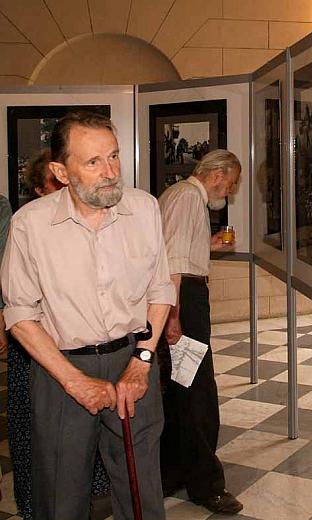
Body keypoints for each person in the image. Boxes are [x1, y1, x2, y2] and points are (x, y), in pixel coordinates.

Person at [1, 111, 174, 519]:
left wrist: (142, 361)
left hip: (134, 361)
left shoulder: (144, 208)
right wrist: (74, 381)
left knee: (142, 488)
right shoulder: (31, 225)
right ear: (61, 171)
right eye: (93, 162)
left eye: (113, 157)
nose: (110, 172)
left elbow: (161, 289)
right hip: (61, 368)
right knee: (61, 492)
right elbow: (20, 314)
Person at [7, 150, 110, 519]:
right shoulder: (27, 225)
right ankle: (37, 504)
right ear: (39, 188)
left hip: (81, 349)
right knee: (35, 430)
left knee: (87, 429)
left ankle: (90, 499)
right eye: (54, 184)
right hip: (33, 346)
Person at [157, 150, 243, 514]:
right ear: (217, 174)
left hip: (180, 298)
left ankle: (172, 471)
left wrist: (208, 247)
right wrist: (174, 317)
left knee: (179, 388)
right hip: (184, 301)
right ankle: (206, 484)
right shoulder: (190, 199)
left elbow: (177, 249)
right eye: (232, 181)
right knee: (197, 393)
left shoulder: (179, 195)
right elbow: (175, 264)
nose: (232, 189)